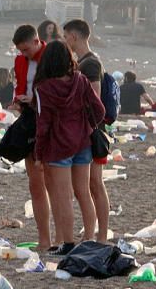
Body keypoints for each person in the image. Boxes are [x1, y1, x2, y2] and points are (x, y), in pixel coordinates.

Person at [33, 41, 105, 256]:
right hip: (83, 142)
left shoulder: (43, 88)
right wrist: (89, 127)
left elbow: (43, 124)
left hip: (58, 146)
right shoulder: (81, 80)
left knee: (64, 196)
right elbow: (99, 110)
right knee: (83, 192)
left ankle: (68, 243)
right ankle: (89, 238)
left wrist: (39, 152)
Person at [63, 18, 109, 243]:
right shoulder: (86, 61)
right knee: (91, 184)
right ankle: (97, 233)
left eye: (65, 36)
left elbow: (94, 99)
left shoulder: (89, 64)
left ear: (73, 36)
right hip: (92, 130)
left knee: (95, 184)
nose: (65, 41)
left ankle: (100, 235)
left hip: (93, 132)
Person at [9, 24, 51, 250]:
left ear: (37, 41)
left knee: (54, 183)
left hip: (49, 122)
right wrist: (18, 100)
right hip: (29, 119)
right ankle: (45, 239)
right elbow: (20, 85)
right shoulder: (19, 61)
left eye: (26, 50)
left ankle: (61, 238)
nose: (24, 54)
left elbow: (55, 91)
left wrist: (33, 100)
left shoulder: (52, 56)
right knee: (36, 185)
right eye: (20, 51)